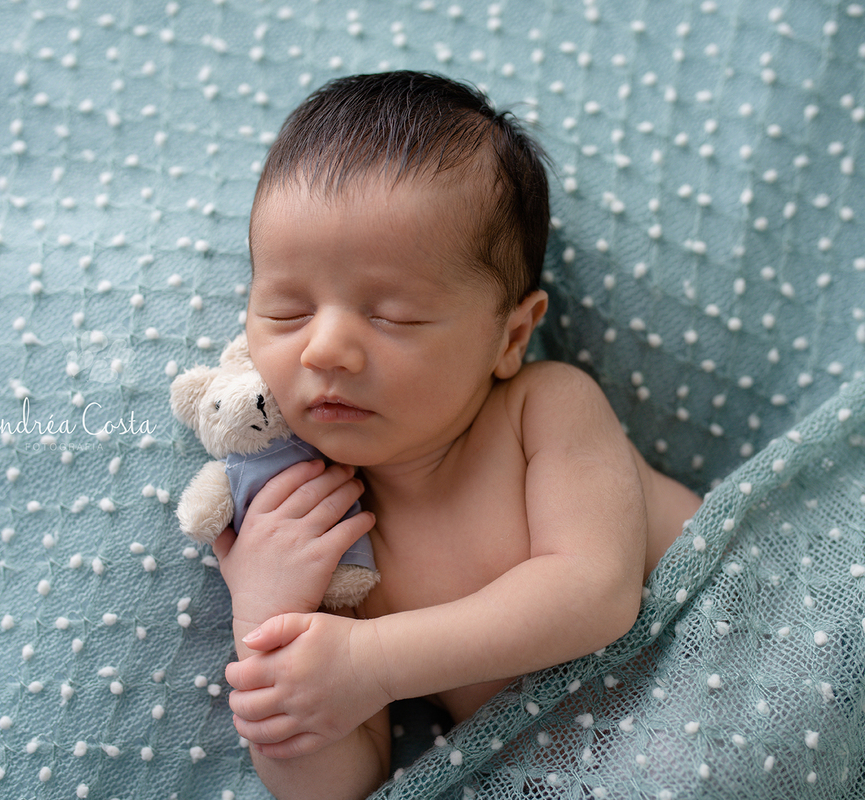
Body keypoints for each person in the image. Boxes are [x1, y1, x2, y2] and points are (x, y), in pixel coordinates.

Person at [210, 71, 704, 800]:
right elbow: (336, 785)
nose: (324, 351)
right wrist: (267, 617)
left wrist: (371, 660)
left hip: (744, 646)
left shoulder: (544, 408)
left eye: (393, 316)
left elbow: (596, 592)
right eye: (285, 312)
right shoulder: (334, 538)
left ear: (512, 335)